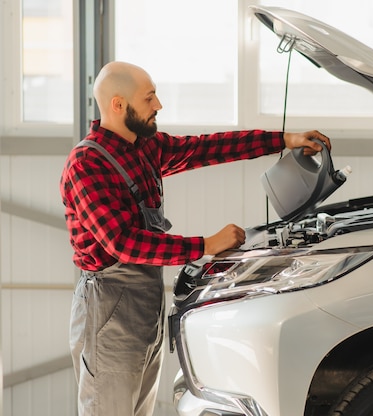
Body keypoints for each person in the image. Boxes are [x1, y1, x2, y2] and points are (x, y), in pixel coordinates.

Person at [59, 61, 331, 416]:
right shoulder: (87, 163)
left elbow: (208, 148)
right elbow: (123, 242)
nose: (159, 105)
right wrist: (204, 246)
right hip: (108, 307)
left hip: (144, 301)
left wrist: (283, 140)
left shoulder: (144, 148)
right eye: (149, 97)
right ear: (118, 105)